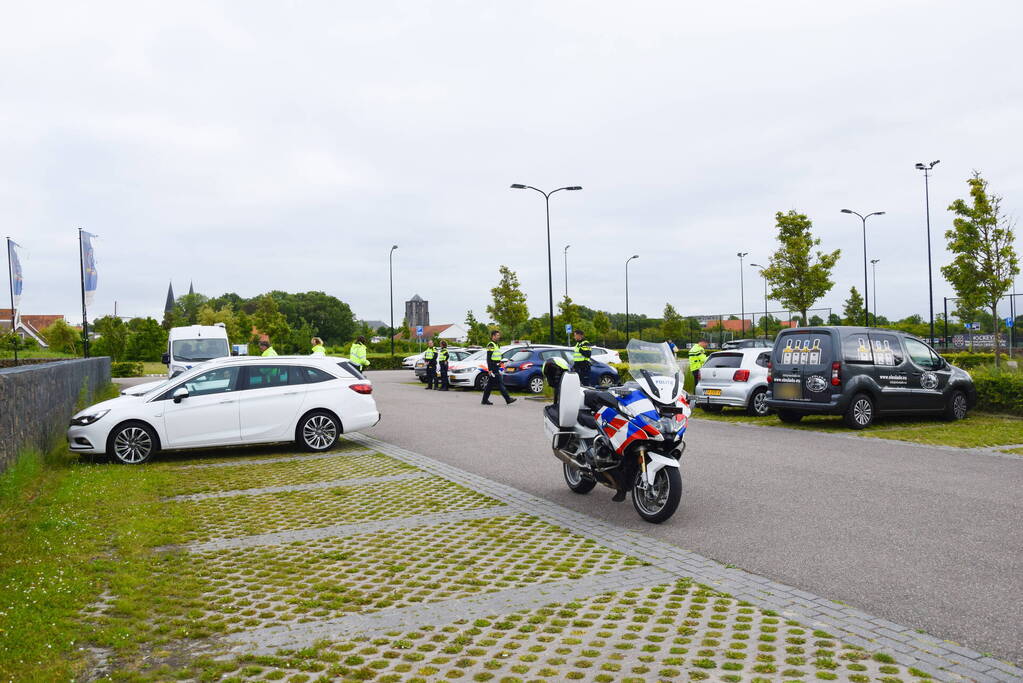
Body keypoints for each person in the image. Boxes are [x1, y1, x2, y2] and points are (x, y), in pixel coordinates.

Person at [481, 329, 516, 405]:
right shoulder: (491, 345)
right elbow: (488, 358)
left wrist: (500, 362)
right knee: (500, 383)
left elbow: (496, 356)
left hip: (496, 366)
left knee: (489, 385)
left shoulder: (497, 345)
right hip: (493, 367)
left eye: (499, 335)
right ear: (493, 336)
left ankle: (484, 400)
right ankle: (508, 399)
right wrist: (490, 369)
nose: (499, 336)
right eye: (497, 335)